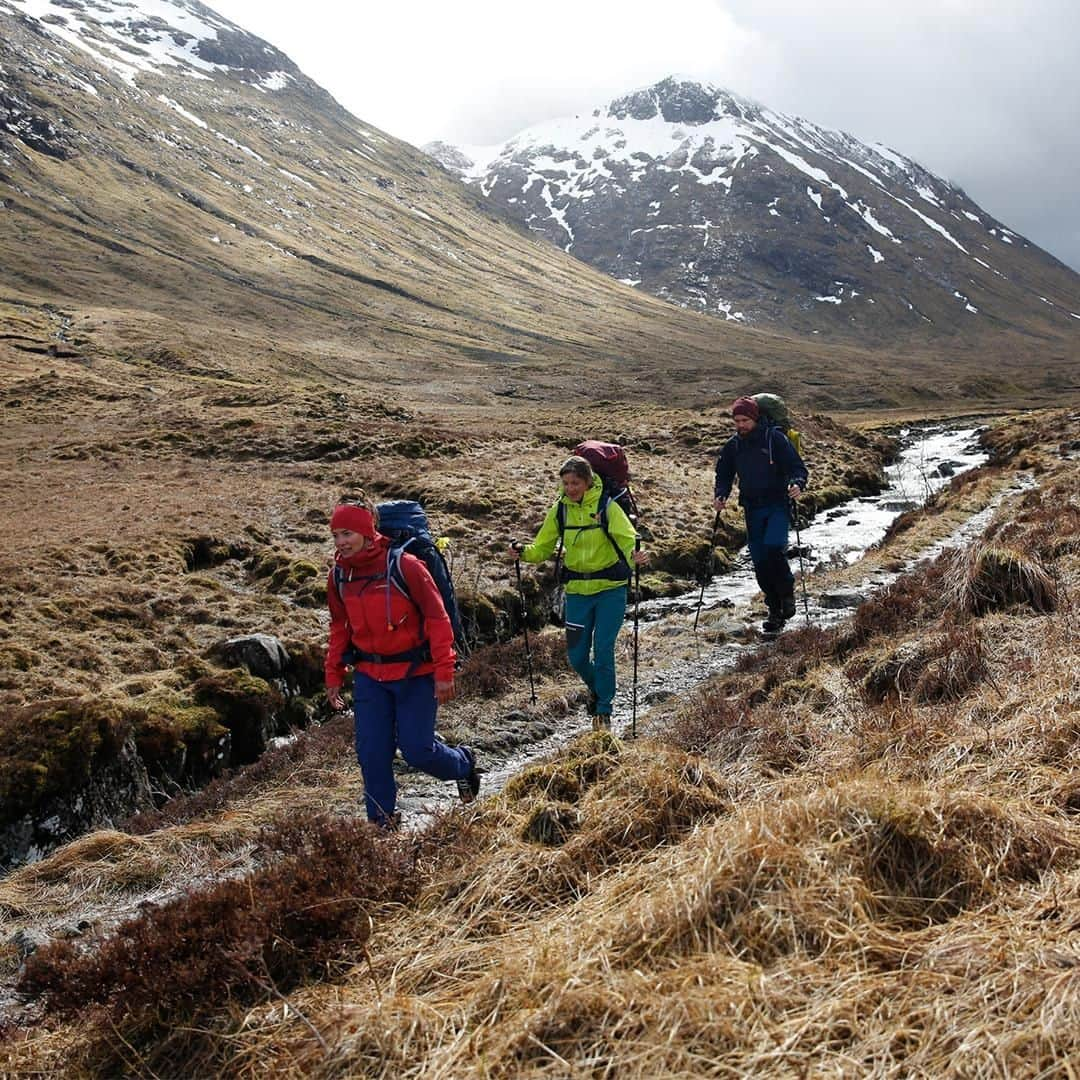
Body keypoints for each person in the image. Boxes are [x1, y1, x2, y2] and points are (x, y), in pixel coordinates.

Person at [325, 499, 479, 828]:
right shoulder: (339, 575)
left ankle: (463, 764)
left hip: (416, 674)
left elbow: (438, 619)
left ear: (367, 532)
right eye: (336, 535)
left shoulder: (406, 566)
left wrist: (444, 670)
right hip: (369, 677)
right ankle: (382, 826)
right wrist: (333, 673)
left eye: (347, 533)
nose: (340, 542)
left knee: (417, 751)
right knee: (371, 754)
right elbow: (339, 626)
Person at [509, 455, 648, 729]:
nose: (571, 488)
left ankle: (604, 708)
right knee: (577, 656)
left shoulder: (607, 507)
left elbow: (628, 538)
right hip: (577, 594)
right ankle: (598, 690)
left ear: (587, 482)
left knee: (604, 649)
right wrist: (522, 552)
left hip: (611, 591)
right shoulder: (559, 510)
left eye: (576, 483)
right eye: (566, 483)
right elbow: (542, 547)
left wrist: (638, 556)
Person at [714, 396, 808, 634]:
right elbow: (724, 473)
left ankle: (786, 594)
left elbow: (797, 467)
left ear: (755, 418)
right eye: (737, 420)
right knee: (759, 561)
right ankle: (774, 609)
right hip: (752, 507)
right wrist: (721, 494)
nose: (741, 425)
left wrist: (798, 483)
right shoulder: (734, 445)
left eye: (745, 420)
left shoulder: (775, 438)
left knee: (774, 548)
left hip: (778, 504)